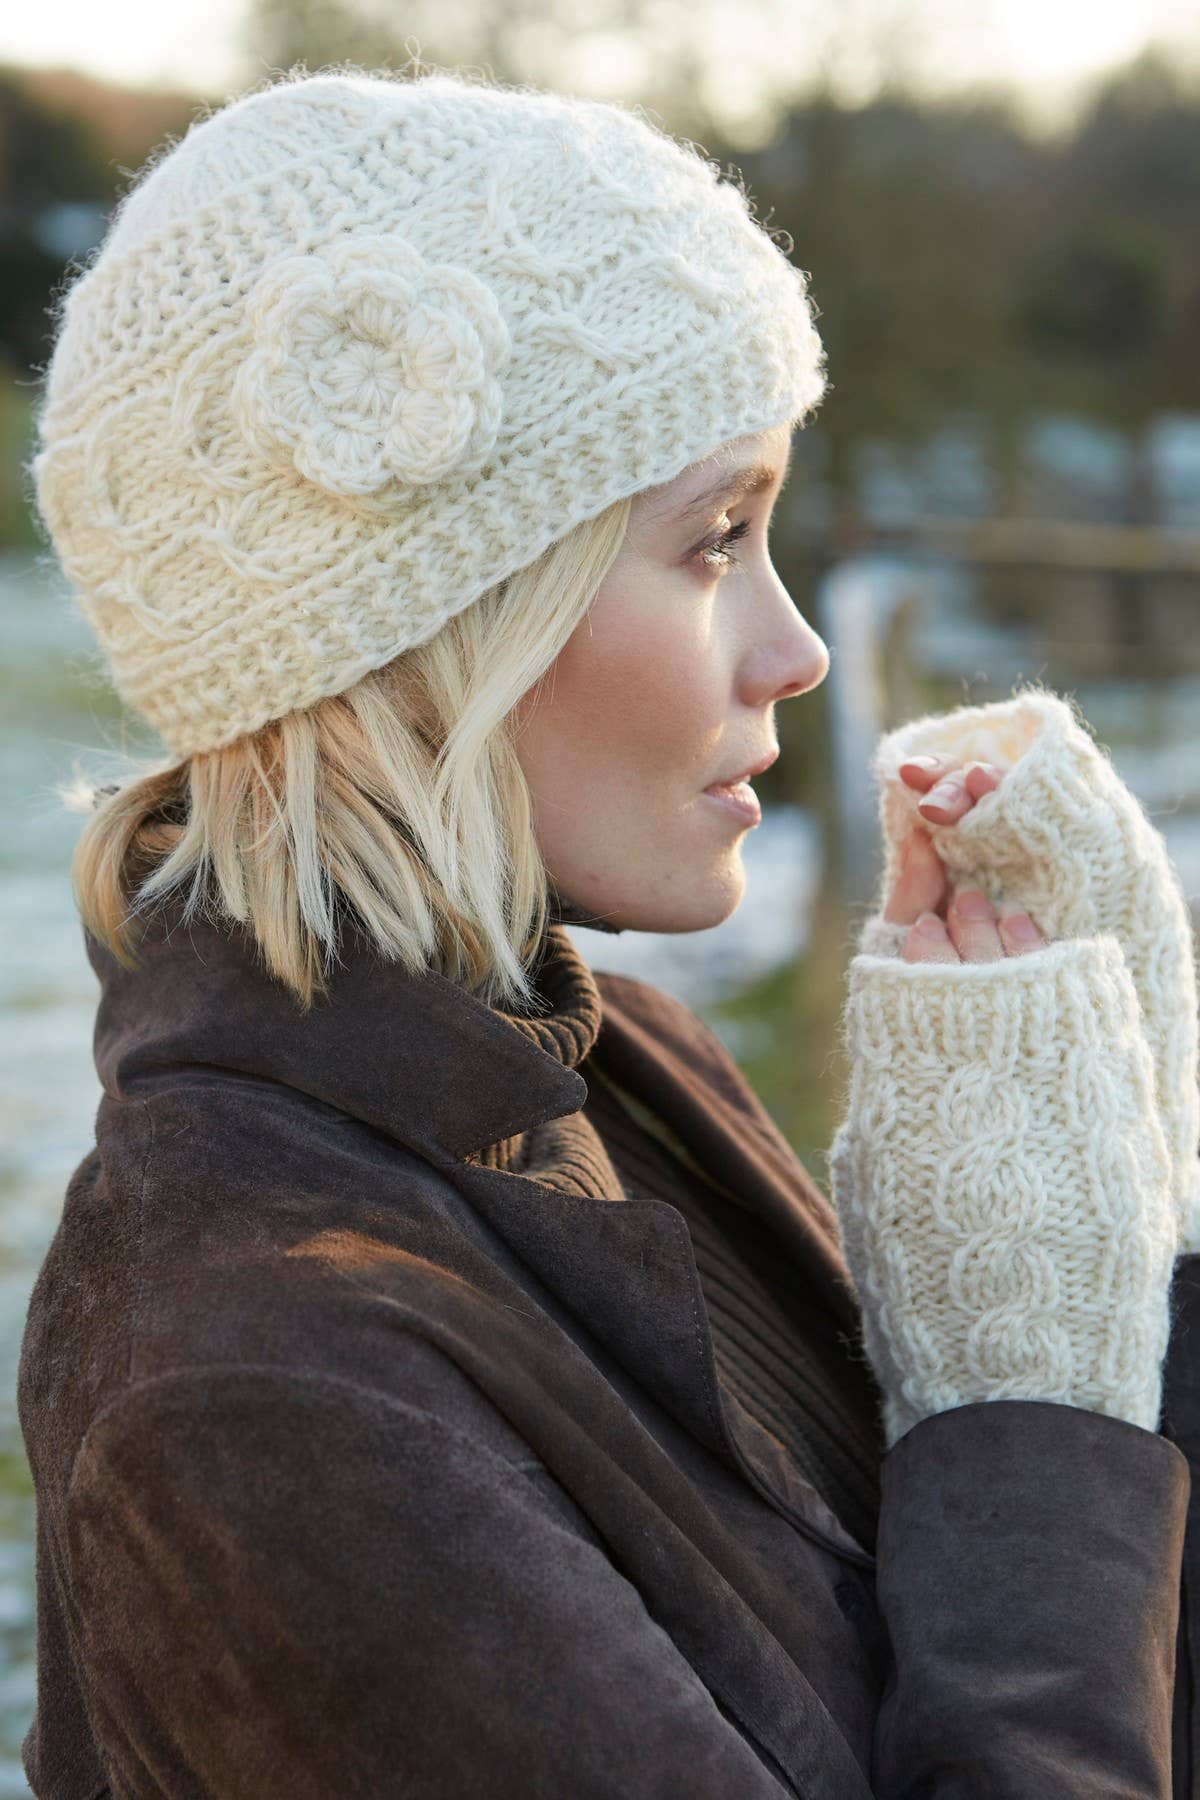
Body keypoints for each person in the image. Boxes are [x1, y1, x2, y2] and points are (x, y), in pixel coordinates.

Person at [16, 61, 1200, 1798]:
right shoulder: (256, 1384)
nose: (793, 651)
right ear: (434, 625)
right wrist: (1019, 1419)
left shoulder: (630, 1070)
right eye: (717, 539)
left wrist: (1121, 1161)